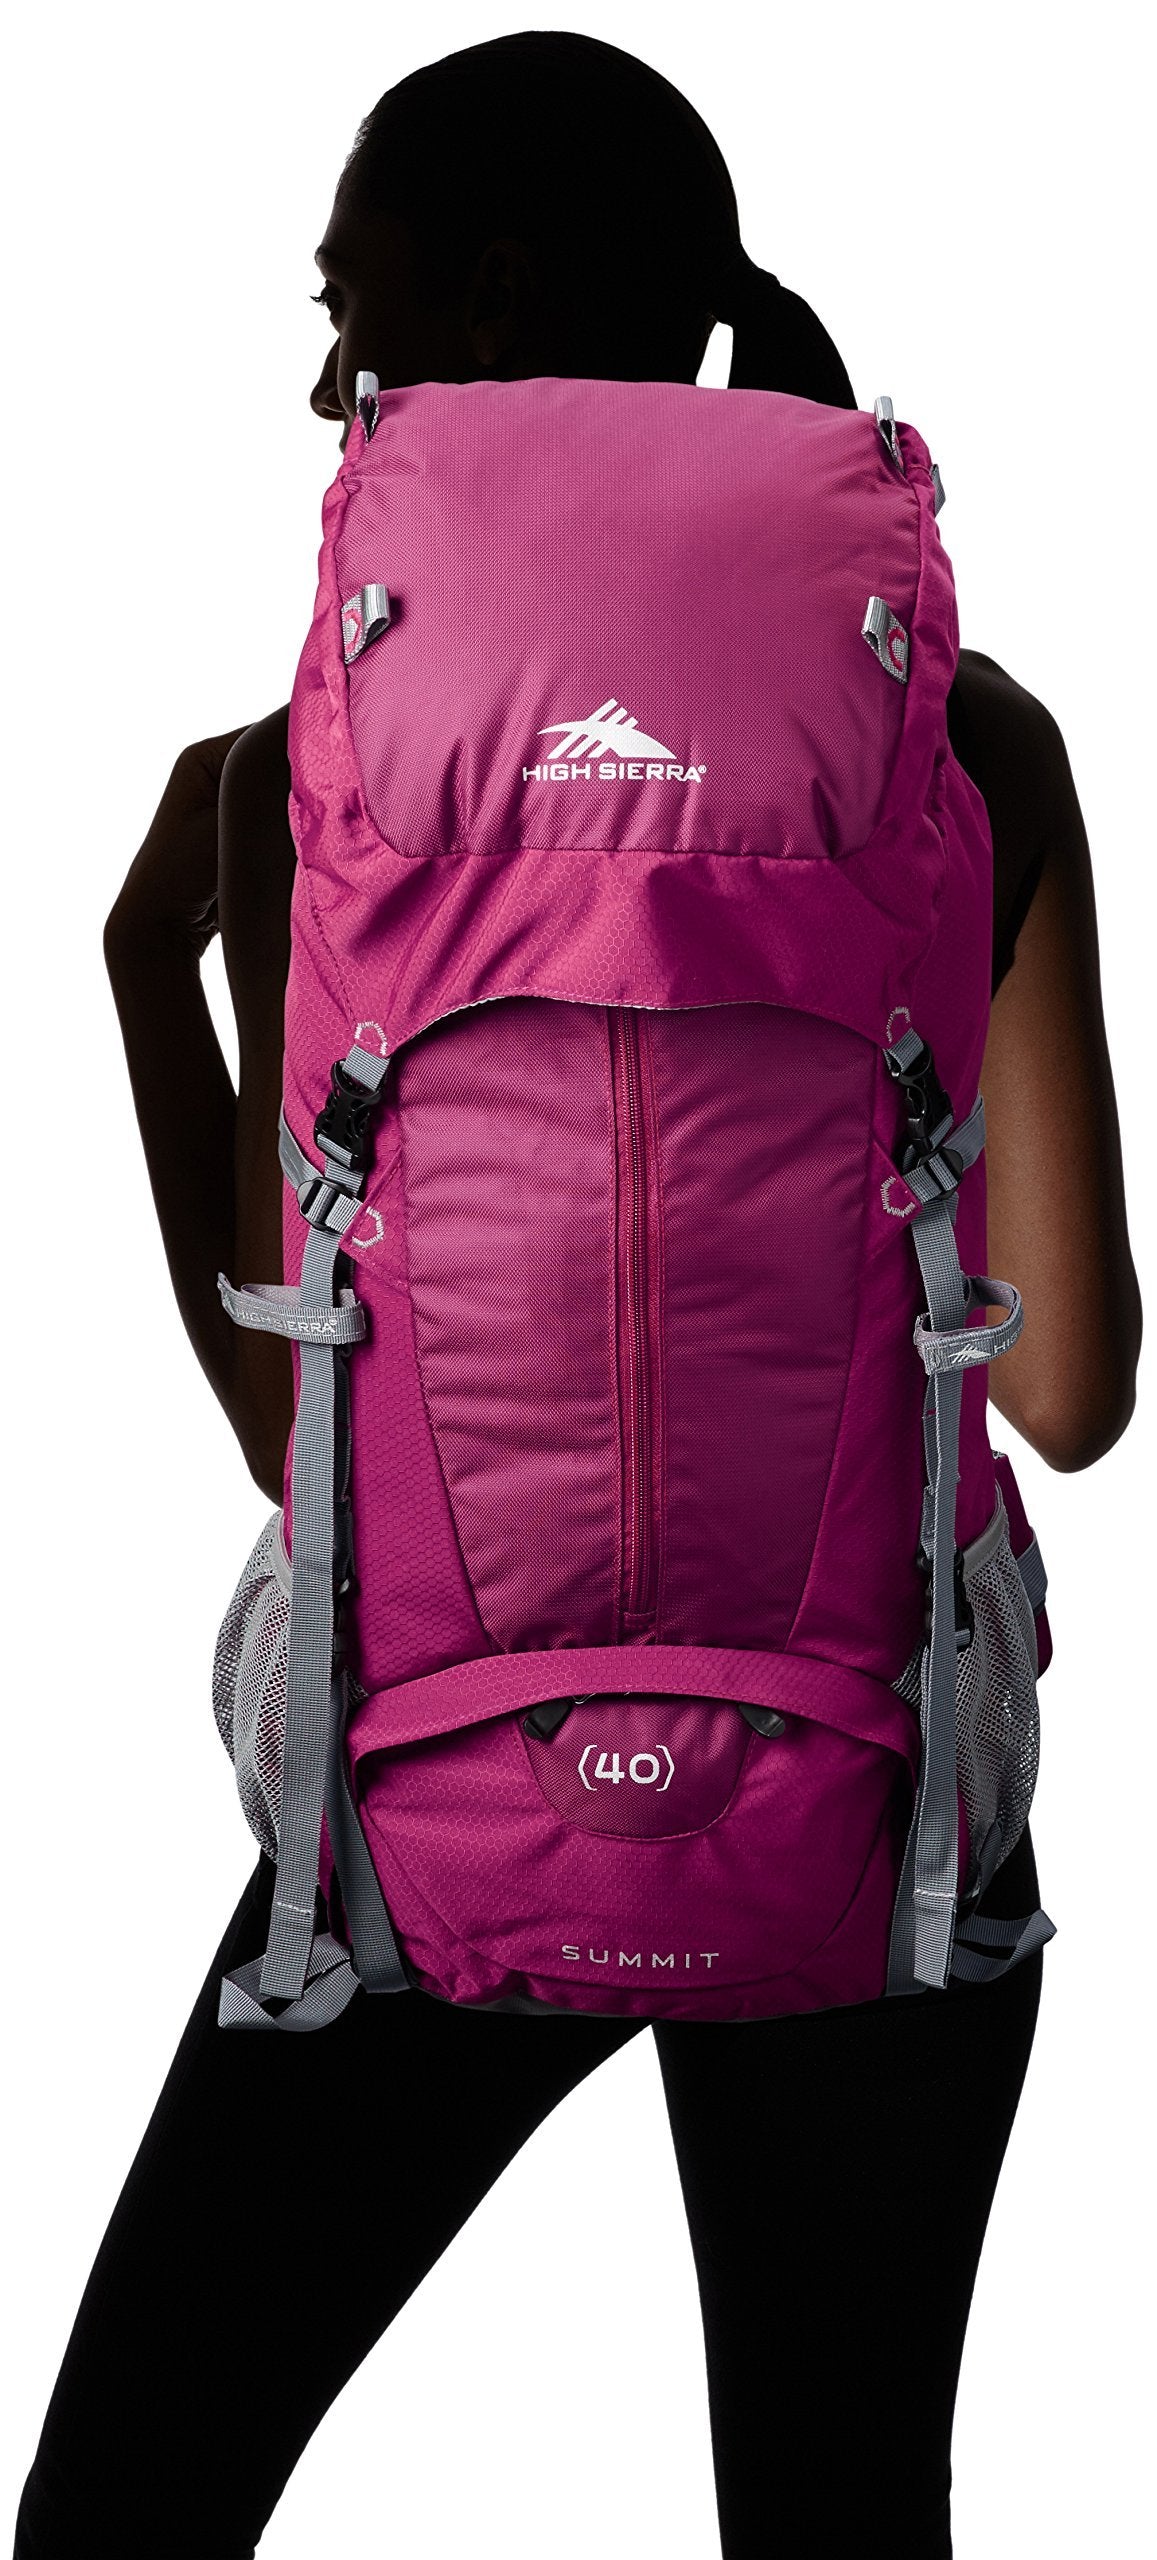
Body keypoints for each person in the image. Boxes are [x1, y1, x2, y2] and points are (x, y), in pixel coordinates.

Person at [14, 32, 1141, 2560]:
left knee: (127, 2505)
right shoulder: (971, 740)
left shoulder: (311, 785)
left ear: (492, 299)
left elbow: (296, 1434)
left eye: (346, 303)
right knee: (841, 2522)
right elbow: (1071, 1386)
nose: (324, 373)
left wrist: (138, 979)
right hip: (885, 1823)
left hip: (423, 1833)